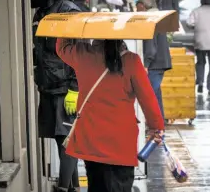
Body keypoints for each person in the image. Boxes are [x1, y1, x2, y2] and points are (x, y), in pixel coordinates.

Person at [55, 38, 165, 192]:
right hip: (121, 143)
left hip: (91, 140)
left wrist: (68, 25)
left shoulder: (83, 55)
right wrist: (156, 128)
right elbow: (148, 99)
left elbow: (62, 47)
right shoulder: (131, 61)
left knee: (97, 185)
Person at [30, 0, 81, 192]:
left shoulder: (69, 13)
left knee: (67, 140)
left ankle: (63, 188)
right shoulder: (42, 13)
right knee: (60, 138)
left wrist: (75, 89)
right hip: (48, 85)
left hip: (65, 88)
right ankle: (73, 186)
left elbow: (80, 54)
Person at [136, 0, 172, 124]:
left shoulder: (150, 20)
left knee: (150, 96)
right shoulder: (157, 17)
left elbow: (151, 47)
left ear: (142, 5)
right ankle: (159, 125)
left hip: (154, 64)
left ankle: (156, 126)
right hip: (160, 62)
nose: (136, 10)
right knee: (155, 95)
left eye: (137, 6)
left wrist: (146, 64)